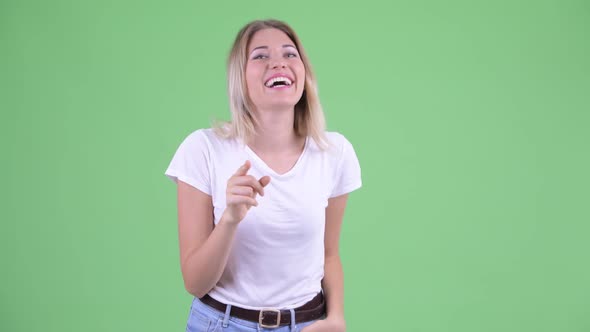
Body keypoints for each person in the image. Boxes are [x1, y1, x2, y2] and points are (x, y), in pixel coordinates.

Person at [164, 19, 362, 332]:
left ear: (304, 73)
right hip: (222, 324)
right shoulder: (203, 149)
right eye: (260, 56)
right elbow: (195, 281)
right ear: (239, 79)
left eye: (289, 54)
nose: (278, 63)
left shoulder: (334, 152)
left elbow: (329, 254)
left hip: (308, 324)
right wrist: (229, 219)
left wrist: (336, 318)